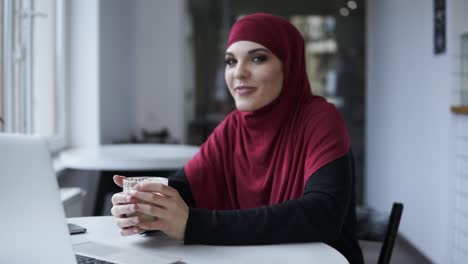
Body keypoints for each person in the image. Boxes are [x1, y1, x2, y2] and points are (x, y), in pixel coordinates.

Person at [111, 13, 364, 264]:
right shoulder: (234, 126)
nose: (239, 73)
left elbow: (322, 215)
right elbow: (186, 187)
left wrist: (193, 224)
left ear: (289, 65)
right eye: (231, 61)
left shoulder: (321, 118)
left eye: (257, 58)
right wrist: (144, 206)